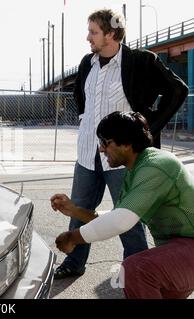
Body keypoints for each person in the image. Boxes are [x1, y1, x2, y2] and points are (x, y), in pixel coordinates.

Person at [55, 9, 189, 279]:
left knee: (127, 217)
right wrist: (84, 117)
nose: (87, 37)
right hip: (87, 152)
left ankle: (137, 268)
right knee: (79, 208)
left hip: (123, 155)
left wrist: (150, 127)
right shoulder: (87, 63)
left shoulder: (141, 61)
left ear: (112, 34)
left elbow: (178, 90)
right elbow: (79, 92)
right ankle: (74, 262)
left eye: (93, 32)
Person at [51, 111, 194, 299]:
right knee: (146, 282)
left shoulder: (156, 165)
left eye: (104, 142)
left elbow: (120, 222)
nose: (101, 149)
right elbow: (118, 217)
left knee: (137, 270)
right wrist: (75, 210)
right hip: (177, 249)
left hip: (187, 247)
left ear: (126, 143)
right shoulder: (136, 171)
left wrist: (72, 237)